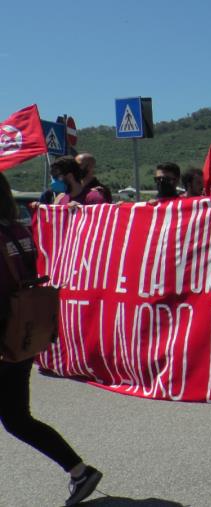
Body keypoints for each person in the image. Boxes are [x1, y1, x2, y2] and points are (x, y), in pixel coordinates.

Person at [0, 173, 103, 506]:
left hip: (5, 336)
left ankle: (80, 471)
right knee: (17, 418)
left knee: (16, 419)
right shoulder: (18, 229)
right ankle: (79, 471)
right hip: (24, 332)